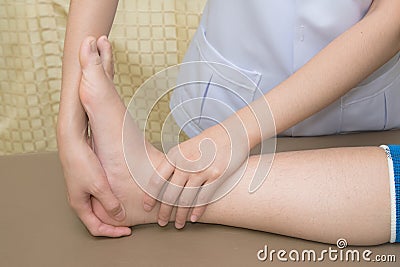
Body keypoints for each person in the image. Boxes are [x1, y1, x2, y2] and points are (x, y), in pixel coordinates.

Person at [58, 0, 400, 237]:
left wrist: (241, 130)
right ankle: (154, 184)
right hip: (224, 97)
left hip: (357, 108)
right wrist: (70, 131)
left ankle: (151, 185)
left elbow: (392, 15)